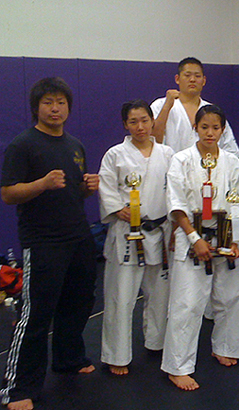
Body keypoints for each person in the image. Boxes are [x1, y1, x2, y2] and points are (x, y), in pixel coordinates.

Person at [0, 77, 99, 410]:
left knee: (78, 302)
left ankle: (68, 359)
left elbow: (73, 192)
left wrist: (87, 187)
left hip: (78, 235)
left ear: (68, 107)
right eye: (48, 102)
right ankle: (18, 388)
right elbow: (8, 193)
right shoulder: (23, 145)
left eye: (60, 102)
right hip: (43, 240)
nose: (55, 108)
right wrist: (41, 183)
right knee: (36, 314)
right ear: (36, 107)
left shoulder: (74, 145)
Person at [161, 104, 239, 391]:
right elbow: (176, 203)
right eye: (205, 127)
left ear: (223, 130)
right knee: (187, 303)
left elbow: (235, 201)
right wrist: (194, 238)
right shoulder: (181, 160)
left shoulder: (232, 162)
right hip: (192, 237)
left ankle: (225, 347)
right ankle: (178, 367)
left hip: (224, 234)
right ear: (195, 128)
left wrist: (235, 240)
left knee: (232, 296)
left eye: (216, 127)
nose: (210, 133)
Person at [98, 99, 175, 376]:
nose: (140, 126)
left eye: (144, 120)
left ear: (152, 121)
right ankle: (116, 355)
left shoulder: (167, 153)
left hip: (160, 231)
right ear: (125, 125)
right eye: (133, 121)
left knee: (160, 294)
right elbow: (106, 187)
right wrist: (116, 208)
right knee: (120, 296)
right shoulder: (115, 154)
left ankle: (157, 341)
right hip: (127, 233)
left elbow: (175, 190)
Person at [150, 56, 239, 156]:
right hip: (170, 164)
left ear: (204, 80)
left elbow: (230, 151)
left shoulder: (212, 110)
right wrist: (166, 107)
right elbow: (151, 141)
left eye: (197, 76)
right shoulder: (160, 105)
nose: (192, 79)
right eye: (187, 75)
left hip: (207, 164)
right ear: (177, 79)